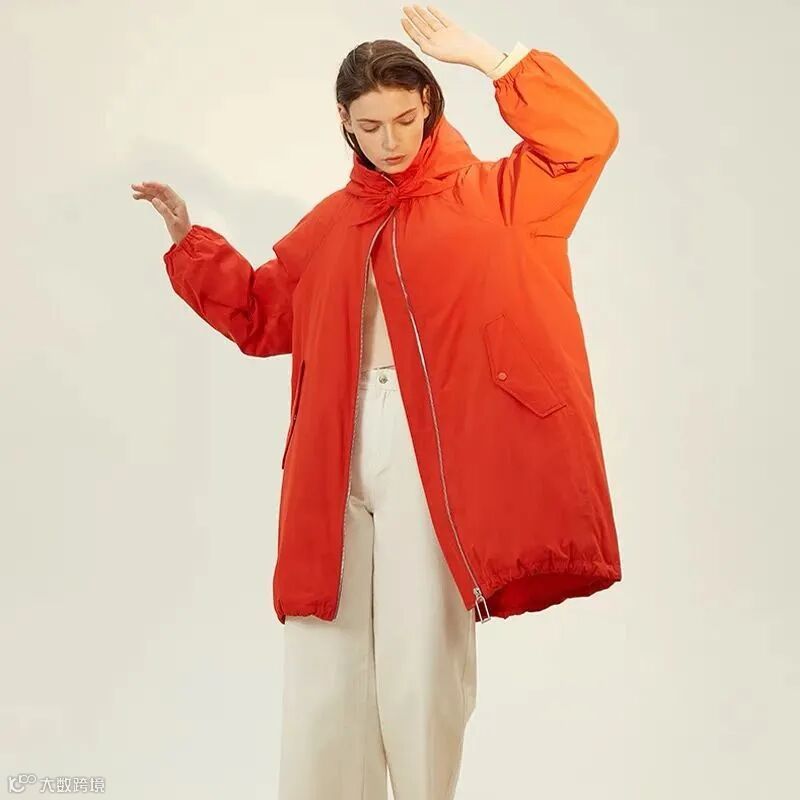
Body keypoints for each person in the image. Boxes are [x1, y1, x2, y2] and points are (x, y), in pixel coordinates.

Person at [132, 5, 623, 798]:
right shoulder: (334, 223)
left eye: (404, 119)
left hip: (435, 444)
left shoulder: (497, 196)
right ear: (343, 122)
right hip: (336, 442)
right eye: (370, 125)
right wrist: (189, 243)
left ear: (429, 106)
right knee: (323, 652)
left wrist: (489, 60)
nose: (390, 140)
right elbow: (262, 315)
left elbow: (585, 138)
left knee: (421, 653)